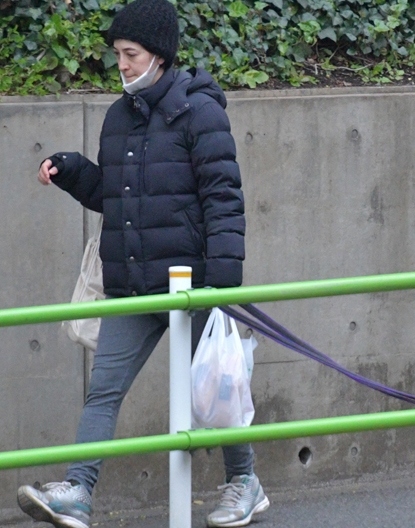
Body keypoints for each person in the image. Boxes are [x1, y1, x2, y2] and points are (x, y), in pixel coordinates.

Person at [17, 1, 268, 527]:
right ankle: (78, 492)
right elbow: (117, 197)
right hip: (133, 285)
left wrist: (221, 281)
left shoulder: (201, 112)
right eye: (117, 55)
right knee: (103, 389)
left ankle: (245, 482)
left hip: (192, 284)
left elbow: (223, 196)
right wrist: (73, 171)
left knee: (220, 387)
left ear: (159, 54)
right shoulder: (118, 115)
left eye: (130, 54)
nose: (123, 65)